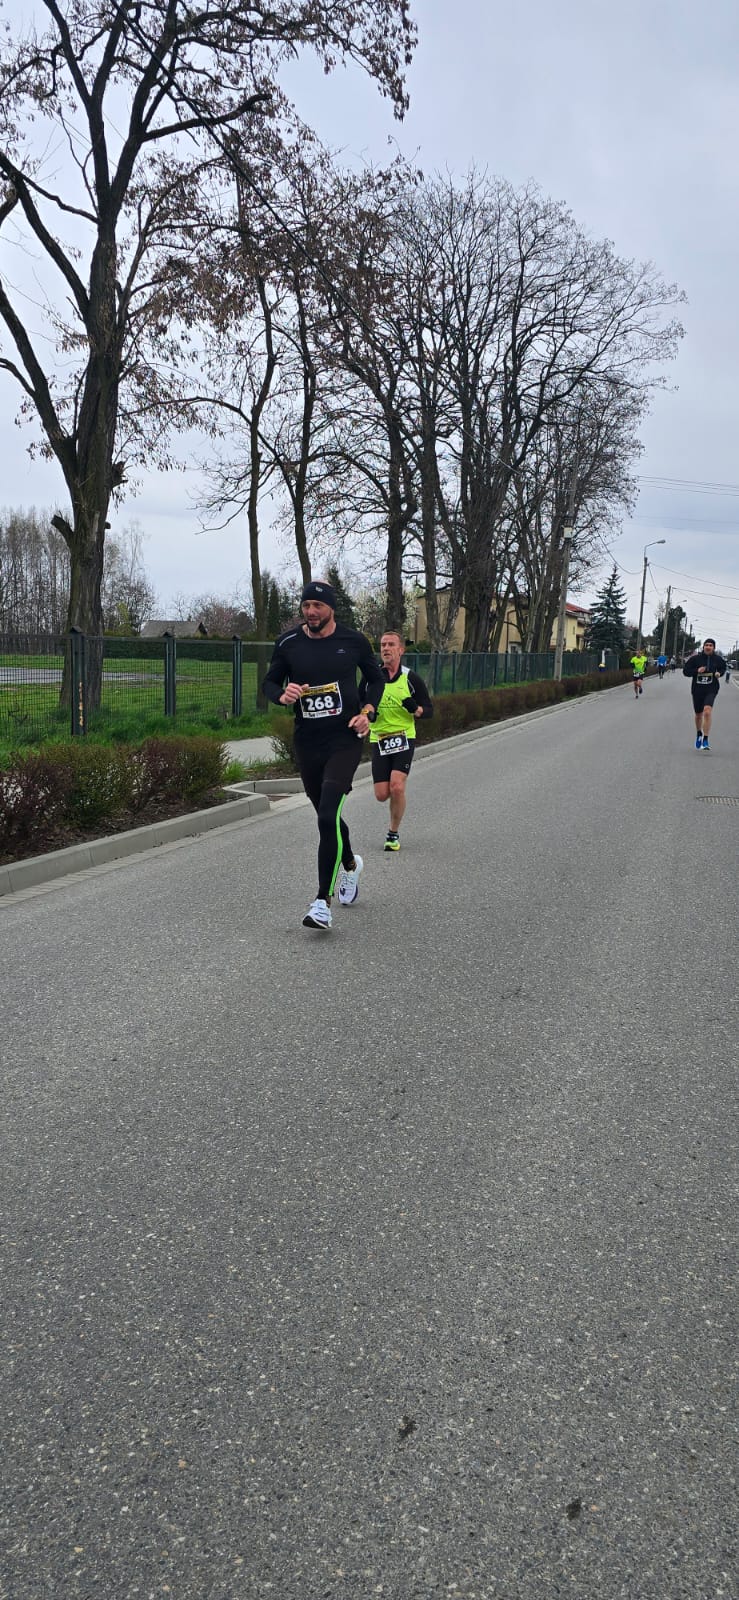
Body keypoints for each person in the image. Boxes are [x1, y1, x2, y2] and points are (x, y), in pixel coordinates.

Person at [262, 580, 385, 929]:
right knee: (326, 816)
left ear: (331, 608)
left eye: (318, 606)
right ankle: (350, 865)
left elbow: (375, 680)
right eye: (306, 606)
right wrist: (281, 695)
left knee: (328, 814)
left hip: (344, 739)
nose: (311, 612)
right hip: (307, 741)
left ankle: (321, 903)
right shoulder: (288, 643)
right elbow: (269, 682)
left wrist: (368, 711)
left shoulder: (354, 641)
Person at [365, 631, 433, 851]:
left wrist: (416, 709)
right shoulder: (371, 677)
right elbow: (359, 701)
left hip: (404, 737)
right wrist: (367, 713)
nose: (385, 648)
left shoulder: (410, 678)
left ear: (401, 650)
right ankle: (395, 798)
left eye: (390, 644)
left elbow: (429, 710)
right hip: (379, 738)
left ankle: (392, 834)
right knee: (381, 794)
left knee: (396, 786)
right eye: (383, 645)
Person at [682, 637, 727, 751]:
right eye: (706, 645)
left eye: (710, 645)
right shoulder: (695, 659)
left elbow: (723, 668)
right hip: (697, 690)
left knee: (707, 712)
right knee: (698, 715)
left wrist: (719, 673)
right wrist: (696, 671)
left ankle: (706, 739)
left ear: (714, 648)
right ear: (703, 647)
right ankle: (699, 733)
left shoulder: (718, 659)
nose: (708, 647)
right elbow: (685, 671)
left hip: (711, 689)